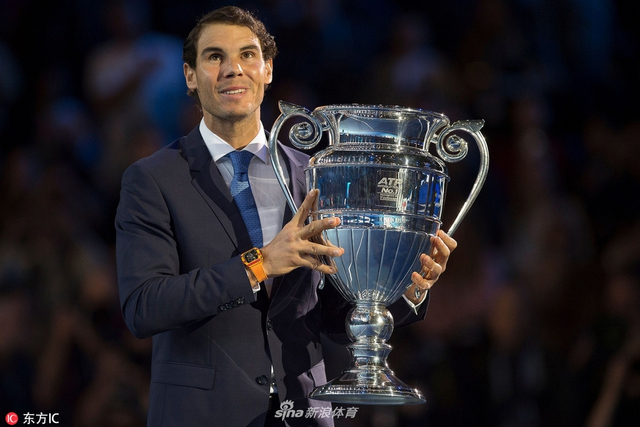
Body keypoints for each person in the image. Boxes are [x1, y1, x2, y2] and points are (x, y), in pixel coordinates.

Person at [115, 6, 457, 427]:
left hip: (303, 414)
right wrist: (259, 264)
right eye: (215, 56)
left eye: (247, 55)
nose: (233, 69)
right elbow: (145, 306)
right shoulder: (153, 179)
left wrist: (407, 287)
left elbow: (332, 313)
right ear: (190, 76)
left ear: (268, 70)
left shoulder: (314, 175)